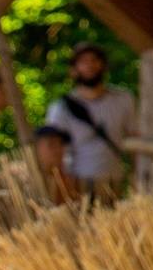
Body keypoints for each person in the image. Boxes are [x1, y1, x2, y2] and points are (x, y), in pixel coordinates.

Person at [40, 44, 138, 196]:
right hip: (77, 184)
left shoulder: (123, 99)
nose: (90, 66)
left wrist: (136, 175)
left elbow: (135, 139)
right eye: (83, 62)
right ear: (74, 69)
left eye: (94, 60)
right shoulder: (60, 108)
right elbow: (51, 149)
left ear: (103, 65)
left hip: (114, 181)